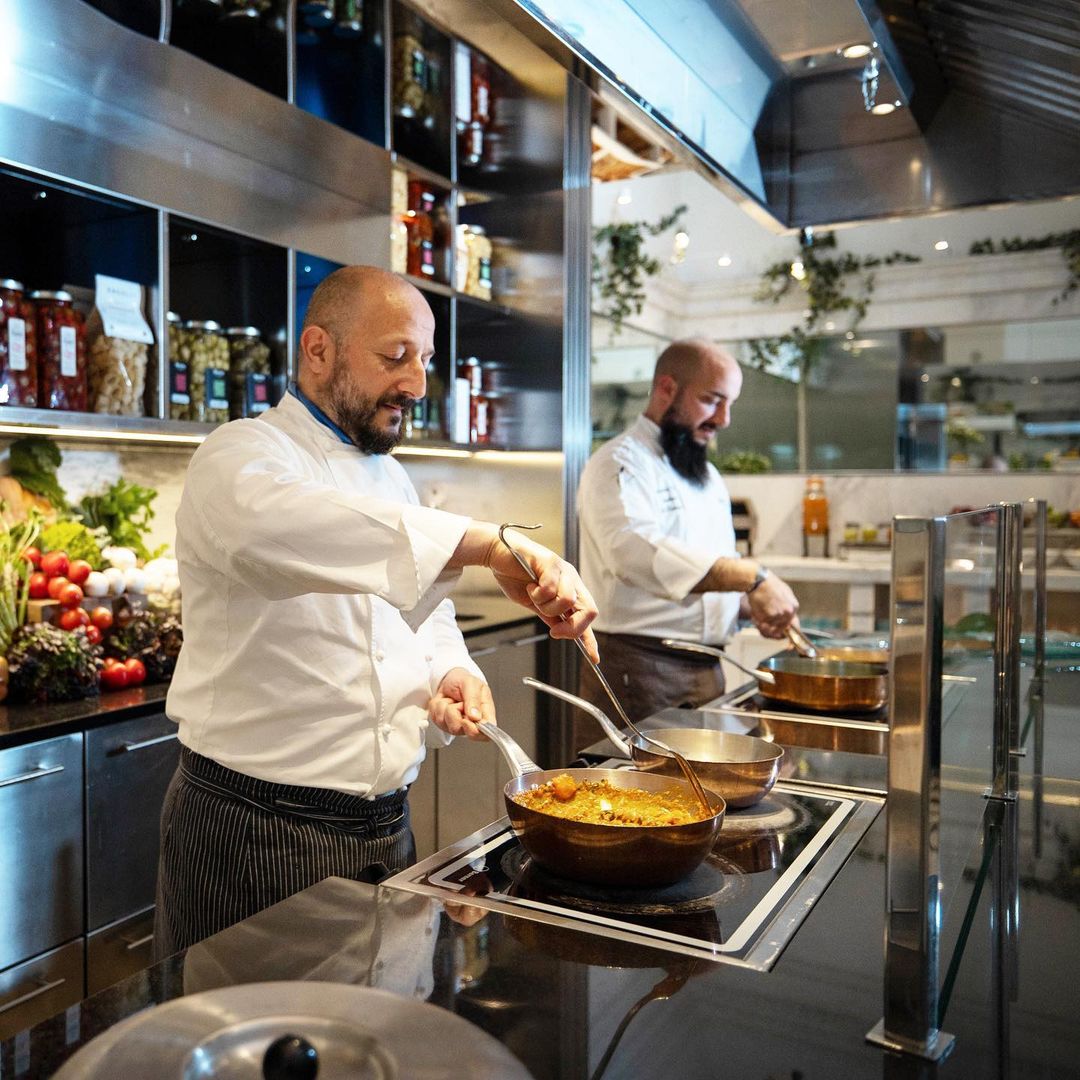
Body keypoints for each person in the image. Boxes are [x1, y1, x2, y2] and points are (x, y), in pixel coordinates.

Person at [154, 266, 597, 958]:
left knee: (375, 1022)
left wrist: (448, 670)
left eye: (424, 360)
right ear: (318, 349)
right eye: (395, 356)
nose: (417, 383)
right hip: (256, 829)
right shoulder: (239, 455)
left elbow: (418, 610)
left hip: (387, 827)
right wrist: (489, 543)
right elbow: (289, 529)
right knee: (259, 1024)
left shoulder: (391, 476)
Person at [575, 338, 798, 737]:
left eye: (729, 404)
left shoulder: (707, 477)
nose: (723, 419)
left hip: (707, 670)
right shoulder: (619, 462)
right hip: (640, 672)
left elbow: (705, 567)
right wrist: (752, 578)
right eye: (712, 401)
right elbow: (632, 553)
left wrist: (748, 605)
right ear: (667, 388)